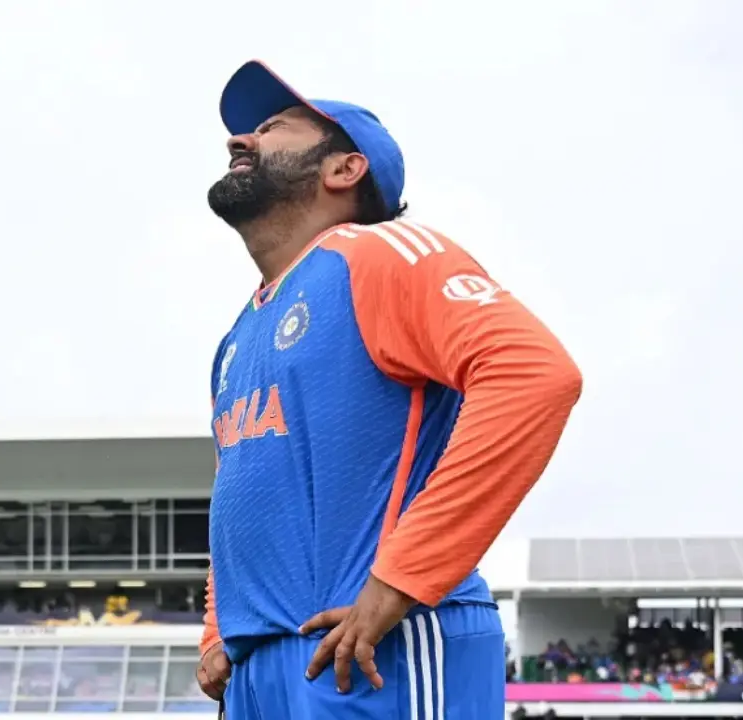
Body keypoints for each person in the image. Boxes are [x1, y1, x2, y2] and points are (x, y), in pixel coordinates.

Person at [194, 60, 583, 719]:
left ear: (344, 170)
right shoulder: (237, 335)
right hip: (263, 667)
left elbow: (533, 375)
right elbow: (245, 485)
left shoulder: (375, 253)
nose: (241, 140)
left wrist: (405, 578)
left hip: (377, 647)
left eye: (273, 128)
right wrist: (217, 629)